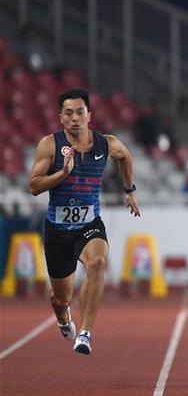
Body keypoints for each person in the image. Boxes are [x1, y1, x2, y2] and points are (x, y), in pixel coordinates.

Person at [28, 88, 141, 355]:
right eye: (69, 113)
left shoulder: (106, 144)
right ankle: (63, 319)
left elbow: (125, 156)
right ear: (61, 117)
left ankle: (85, 333)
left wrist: (129, 190)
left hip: (89, 224)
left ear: (89, 115)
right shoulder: (50, 145)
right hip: (57, 231)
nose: (75, 118)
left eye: (80, 112)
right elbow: (34, 186)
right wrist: (61, 174)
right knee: (61, 298)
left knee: (98, 262)